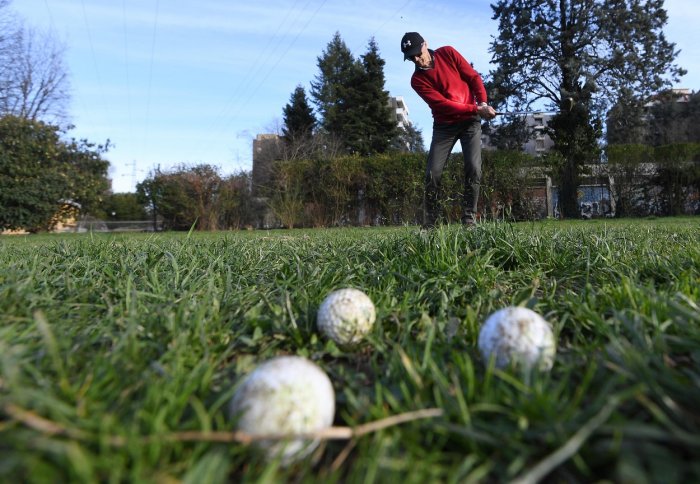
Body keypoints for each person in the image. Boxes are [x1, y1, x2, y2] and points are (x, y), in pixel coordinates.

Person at [401, 32, 496, 227]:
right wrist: (477, 108)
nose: (417, 60)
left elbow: (473, 77)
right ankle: (431, 224)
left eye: (418, 53)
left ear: (425, 44)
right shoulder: (417, 81)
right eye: (411, 58)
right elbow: (444, 104)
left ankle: (469, 221)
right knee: (432, 173)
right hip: (445, 126)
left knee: (474, 168)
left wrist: (483, 102)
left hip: (470, 122)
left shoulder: (448, 53)